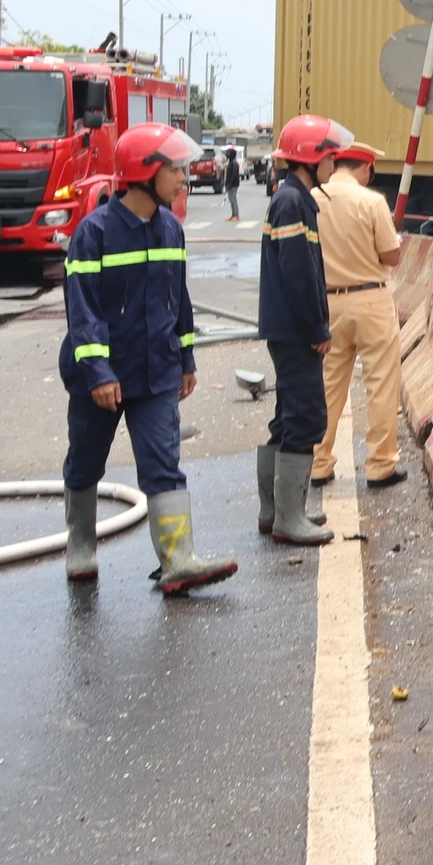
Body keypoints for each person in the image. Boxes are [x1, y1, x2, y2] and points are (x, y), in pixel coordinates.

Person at [59, 124, 237, 594]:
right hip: (101, 377)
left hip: (156, 370)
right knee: (86, 461)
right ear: (144, 173)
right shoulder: (92, 235)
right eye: (175, 169)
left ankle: (179, 560)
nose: (184, 178)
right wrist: (98, 372)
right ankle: (80, 547)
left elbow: (179, 299)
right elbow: (84, 313)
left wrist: (187, 358)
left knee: (163, 462)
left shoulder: (170, 229)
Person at [258, 113, 351, 546]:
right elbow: (298, 274)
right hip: (295, 329)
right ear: (310, 159)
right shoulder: (293, 202)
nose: (335, 164)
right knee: (306, 416)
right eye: (330, 157)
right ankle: (287, 518)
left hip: (286, 327)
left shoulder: (292, 198)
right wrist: (317, 326)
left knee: (287, 417)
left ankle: (275, 511)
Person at [310, 143, 407, 491]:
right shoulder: (372, 202)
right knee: (381, 384)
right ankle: (380, 466)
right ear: (366, 169)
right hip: (370, 301)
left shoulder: (313, 198)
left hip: (328, 303)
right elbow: (391, 255)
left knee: (327, 385)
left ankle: (318, 463)